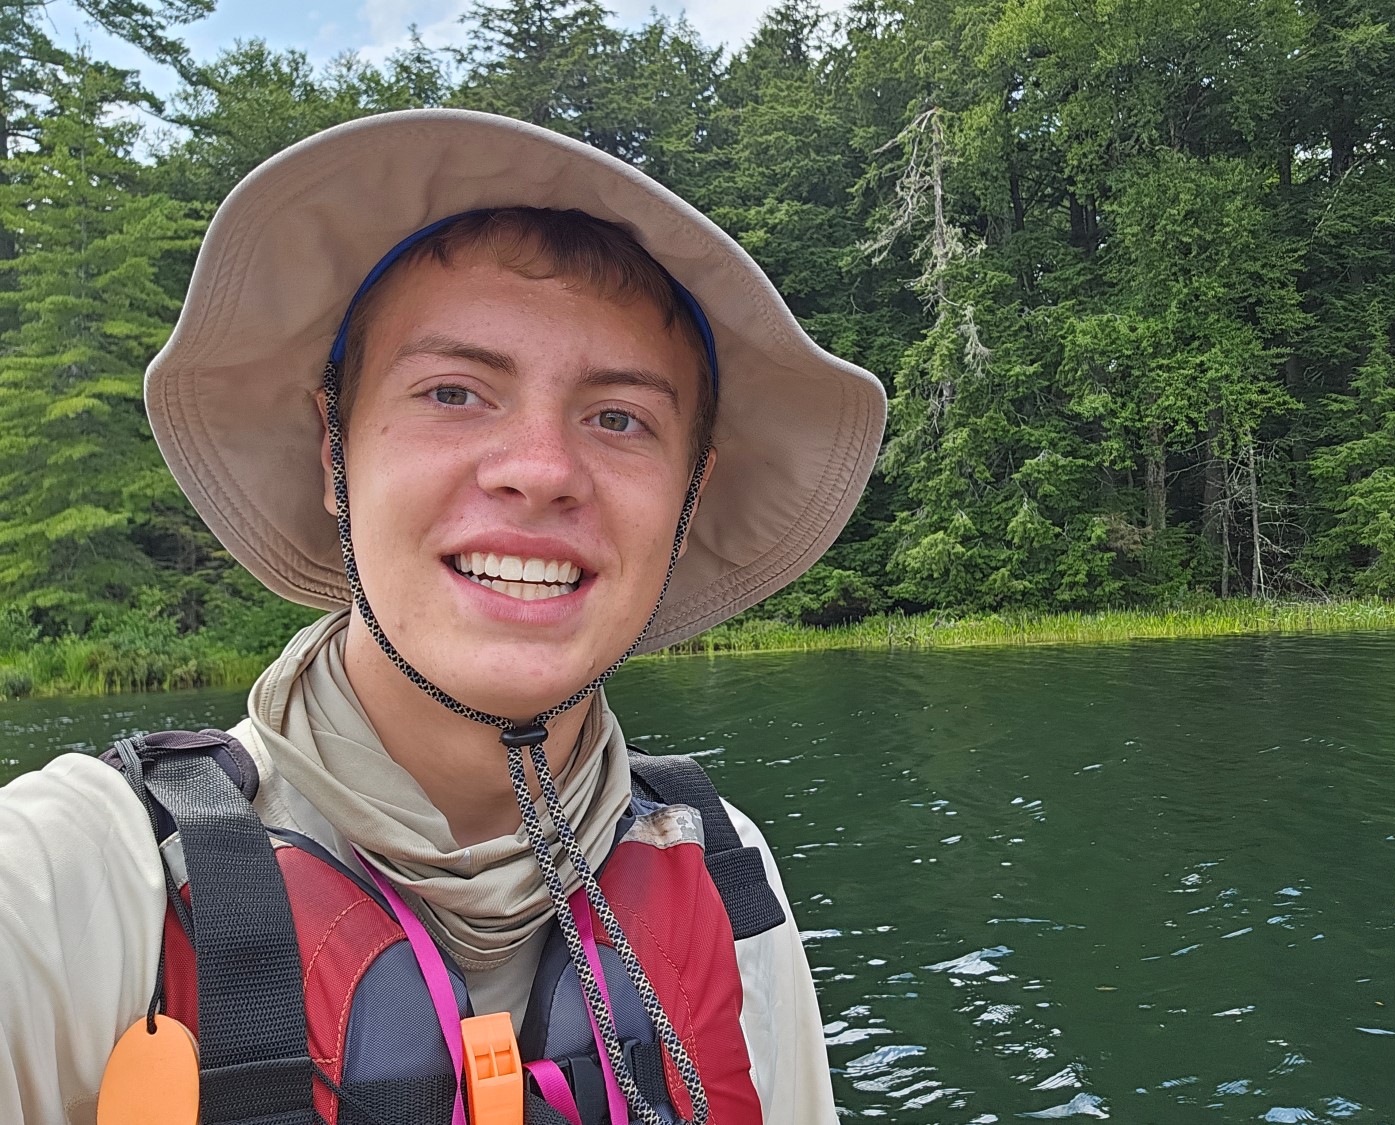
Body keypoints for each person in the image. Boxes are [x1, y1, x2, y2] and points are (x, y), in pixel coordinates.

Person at [0, 109, 885, 1125]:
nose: (542, 471)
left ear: (688, 501)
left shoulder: (724, 861)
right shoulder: (77, 882)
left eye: (618, 418)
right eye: (455, 392)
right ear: (334, 455)